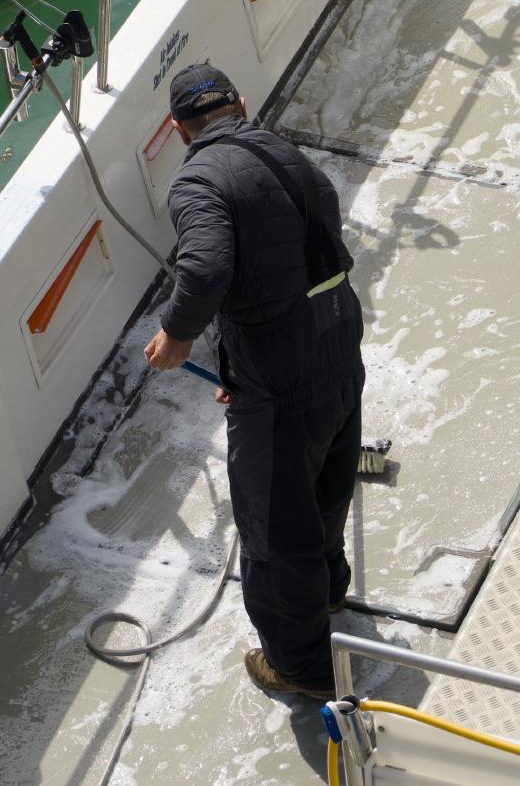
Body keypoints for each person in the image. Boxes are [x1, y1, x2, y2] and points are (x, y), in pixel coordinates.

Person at [143, 63, 366, 699]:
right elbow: (305, 243)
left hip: (281, 372)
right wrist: (238, 364)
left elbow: (209, 266)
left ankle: (299, 668)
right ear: (239, 105)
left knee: (273, 528)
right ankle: (328, 594)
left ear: (180, 130)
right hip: (337, 338)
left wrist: (178, 334)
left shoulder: (195, 183)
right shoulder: (288, 154)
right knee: (327, 475)